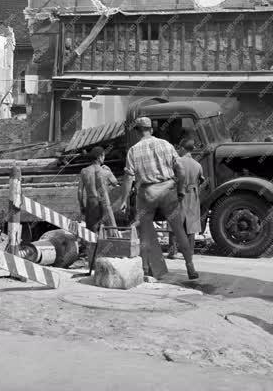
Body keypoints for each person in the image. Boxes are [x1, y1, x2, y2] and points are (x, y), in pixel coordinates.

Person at [120, 117, 198, 280]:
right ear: (151, 129)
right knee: (179, 231)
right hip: (168, 191)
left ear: (137, 131)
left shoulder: (133, 150)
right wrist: (181, 190)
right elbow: (181, 170)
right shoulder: (166, 145)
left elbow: (128, 178)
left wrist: (124, 200)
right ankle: (190, 267)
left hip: (147, 194)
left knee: (146, 233)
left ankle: (145, 269)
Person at [168, 139, 204, 259]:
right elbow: (201, 180)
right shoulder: (198, 165)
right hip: (192, 195)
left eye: (179, 148)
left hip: (177, 194)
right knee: (191, 223)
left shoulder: (176, 163)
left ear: (182, 148)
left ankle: (173, 251)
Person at [77, 146, 118, 232]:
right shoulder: (105, 171)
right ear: (99, 157)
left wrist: (81, 205)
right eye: (103, 156)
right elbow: (115, 183)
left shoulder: (84, 171)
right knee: (109, 230)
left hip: (91, 202)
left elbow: (80, 191)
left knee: (91, 232)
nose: (104, 158)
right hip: (104, 200)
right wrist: (109, 170)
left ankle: (92, 244)